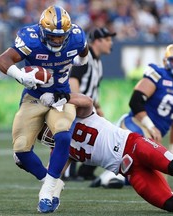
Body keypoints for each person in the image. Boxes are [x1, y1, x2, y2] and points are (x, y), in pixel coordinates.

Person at [39, 92, 173, 213]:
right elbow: (52, 176)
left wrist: (59, 96)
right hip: (130, 172)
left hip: (134, 145)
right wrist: (27, 162)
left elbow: (86, 101)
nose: (47, 135)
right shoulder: (62, 149)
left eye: (46, 129)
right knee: (172, 204)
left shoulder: (78, 115)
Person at [0, 5, 89, 213]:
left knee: (63, 136)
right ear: (42, 31)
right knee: (21, 153)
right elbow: (2, 60)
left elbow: (83, 52)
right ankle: (53, 181)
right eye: (52, 37)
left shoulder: (76, 36)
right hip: (34, 97)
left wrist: (81, 61)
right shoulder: (31, 38)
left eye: (60, 37)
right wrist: (22, 76)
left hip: (60, 97)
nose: (57, 41)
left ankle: (47, 192)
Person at [92, 43, 173, 188]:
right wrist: (150, 125)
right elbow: (135, 102)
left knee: (145, 175)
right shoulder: (158, 74)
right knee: (131, 155)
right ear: (166, 61)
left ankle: (106, 177)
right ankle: (110, 177)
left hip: (153, 135)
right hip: (135, 123)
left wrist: (172, 152)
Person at [66, 27, 116, 181]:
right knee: (74, 138)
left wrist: (98, 107)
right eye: (107, 40)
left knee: (100, 138)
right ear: (97, 41)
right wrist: (77, 105)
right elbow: (73, 80)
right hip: (81, 107)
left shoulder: (98, 62)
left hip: (89, 108)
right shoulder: (85, 57)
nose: (111, 43)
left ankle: (85, 172)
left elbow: (93, 88)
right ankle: (68, 172)